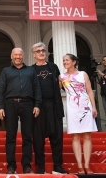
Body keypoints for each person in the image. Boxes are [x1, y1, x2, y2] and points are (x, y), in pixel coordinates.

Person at [0, 47, 41, 174]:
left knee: (27, 136)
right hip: (10, 104)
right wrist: (0, 107)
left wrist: (37, 105)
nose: (17, 57)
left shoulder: (31, 71)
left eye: (20, 55)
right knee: (11, 136)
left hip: (28, 104)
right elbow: (0, 90)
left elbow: (37, 89)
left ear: (23, 56)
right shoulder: (6, 71)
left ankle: (26, 165)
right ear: (11, 56)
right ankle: (11, 166)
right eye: (15, 55)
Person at [31, 42, 68, 174]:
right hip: (39, 107)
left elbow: (60, 83)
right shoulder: (31, 70)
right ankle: (40, 166)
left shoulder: (53, 67)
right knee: (38, 138)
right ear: (33, 54)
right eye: (38, 51)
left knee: (57, 137)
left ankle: (57, 165)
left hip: (54, 105)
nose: (41, 53)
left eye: (43, 50)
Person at [59, 53, 98, 175]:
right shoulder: (62, 77)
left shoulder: (83, 74)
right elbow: (55, 92)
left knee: (87, 136)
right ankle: (80, 166)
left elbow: (90, 91)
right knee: (75, 136)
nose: (65, 62)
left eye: (67, 60)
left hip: (85, 106)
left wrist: (94, 107)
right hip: (72, 108)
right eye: (64, 60)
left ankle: (87, 165)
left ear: (74, 62)